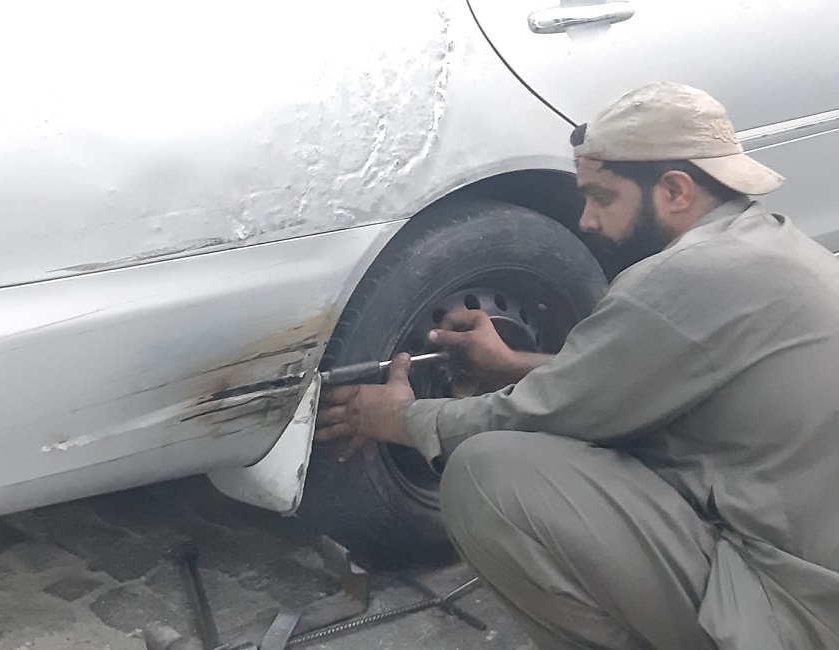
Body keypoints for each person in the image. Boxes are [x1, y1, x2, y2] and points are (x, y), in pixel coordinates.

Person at [315, 82, 839, 649]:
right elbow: (644, 379)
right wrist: (515, 365)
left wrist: (400, 418)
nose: (586, 220)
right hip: (809, 565)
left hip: (792, 609)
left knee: (488, 473)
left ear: (675, 190)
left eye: (601, 197)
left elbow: (531, 417)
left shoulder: (684, 276)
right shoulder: (771, 247)